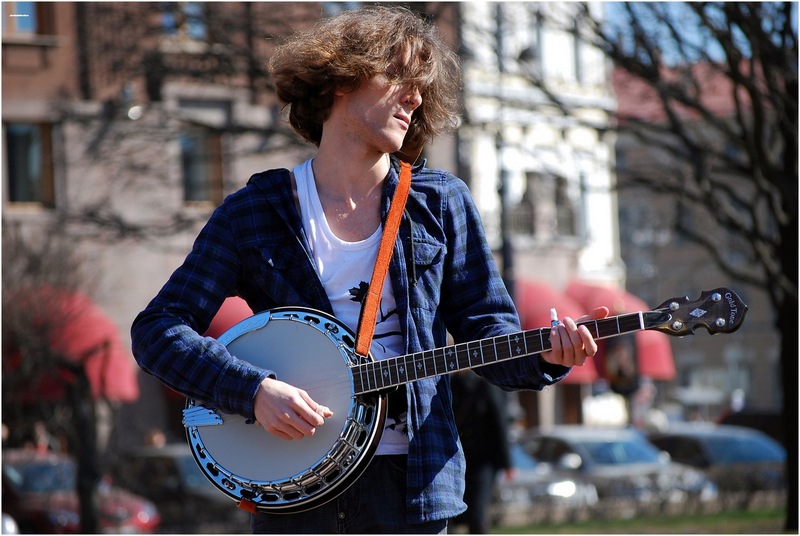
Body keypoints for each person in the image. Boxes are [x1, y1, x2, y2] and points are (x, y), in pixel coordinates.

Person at [131, 6, 607, 534]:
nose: (416, 98)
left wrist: (545, 356)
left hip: (412, 491)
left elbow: (489, 335)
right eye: (400, 78)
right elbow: (157, 330)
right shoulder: (256, 212)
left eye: (422, 88)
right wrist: (254, 390)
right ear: (342, 78)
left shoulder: (440, 203)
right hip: (295, 490)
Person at [451, 371, 514, 534]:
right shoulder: (449, 386)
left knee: (477, 511)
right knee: (452, 513)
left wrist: (507, 463)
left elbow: (499, 424)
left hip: (483, 460)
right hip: (456, 459)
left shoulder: (485, 385)